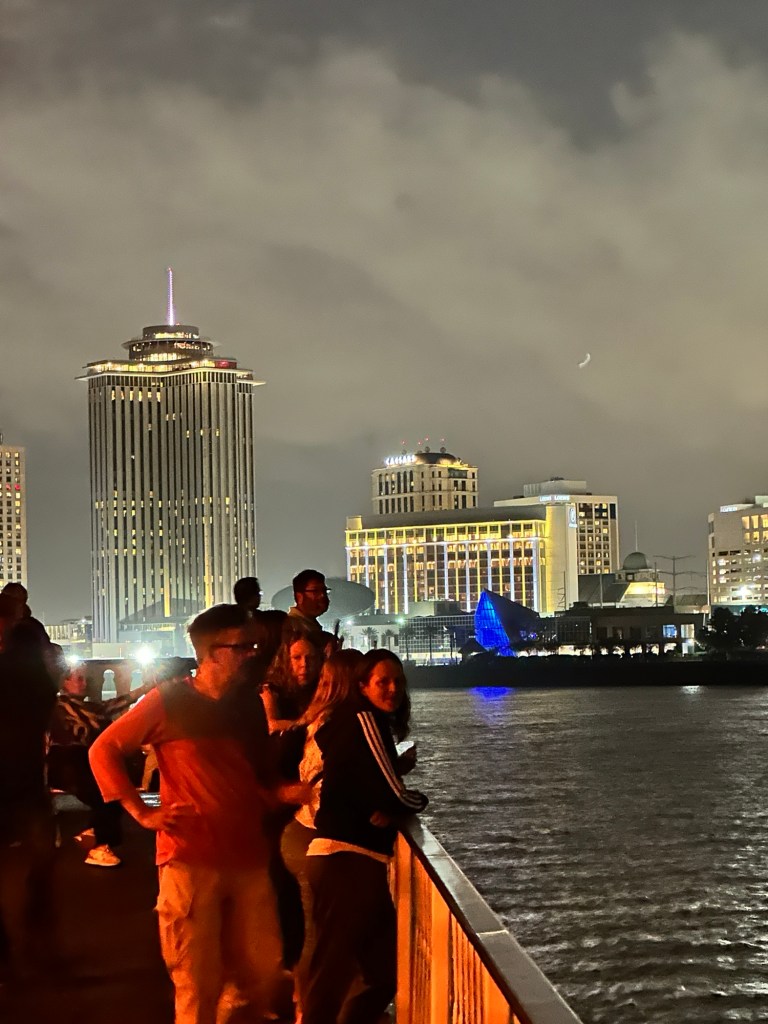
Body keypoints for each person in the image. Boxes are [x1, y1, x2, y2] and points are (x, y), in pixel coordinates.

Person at [89, 603, 309, 1024]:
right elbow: (104, 749)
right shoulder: (169, 701)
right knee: (194, 980)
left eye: (255, 646)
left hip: (248, 858)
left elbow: (255, 778)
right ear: (212, 653)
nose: (252, 655)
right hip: (189, 859)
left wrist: (285, 793)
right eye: (242, 647)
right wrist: (140, 811)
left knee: (262, 973)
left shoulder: (247, 705)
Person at [303, 650, 428, 1024]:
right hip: (346, 860)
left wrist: (388, 803)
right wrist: (415, 800)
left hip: (360, 863)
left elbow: (371, 783)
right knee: (331, 974)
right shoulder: (364, 719)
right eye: (383, 682)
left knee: (385, 970)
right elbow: (394, 791)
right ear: (361, 686)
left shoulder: (353, 722)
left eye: (398, 682)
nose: (393, 690)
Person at [279, 650, 365, 1019]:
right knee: (321, 936)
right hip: (318, 837)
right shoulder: (347, 726)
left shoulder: (314, 720)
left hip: (297, 831)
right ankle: (310, 1011)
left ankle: (304, 1006)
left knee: (313, 932)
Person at [48, 665, 156, 867]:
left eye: (84, 679)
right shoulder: (57, 707)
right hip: (67, 762)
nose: (84, 683)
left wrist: (147, 688)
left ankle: (95, 834)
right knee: (107, 797)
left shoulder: (88, 708)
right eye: (78, 679)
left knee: (111, 795)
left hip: (81, 761)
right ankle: (99, 844)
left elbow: (116, 703)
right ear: (65, 683)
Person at [0, 616, 59, 983]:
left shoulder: (15, 673)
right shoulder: (39, 681)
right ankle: (37, 940)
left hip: (12, 778)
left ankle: (8, 952)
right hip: (27, 779)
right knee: (42, 861)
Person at [262, 629, 323, 732]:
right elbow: (272, 724)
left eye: (311, 658)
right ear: (286, 660)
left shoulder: (321, 687)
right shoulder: (271, 690)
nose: (304, 664)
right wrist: (306, 724)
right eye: (297, 658)